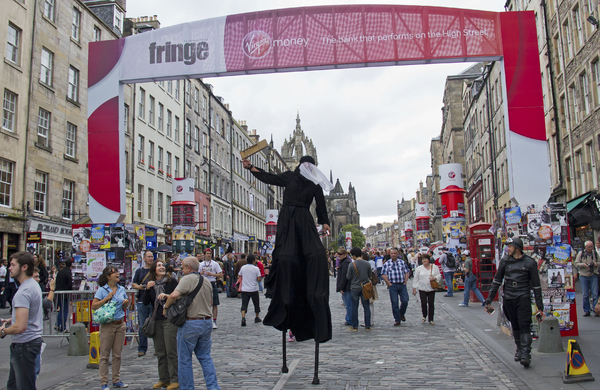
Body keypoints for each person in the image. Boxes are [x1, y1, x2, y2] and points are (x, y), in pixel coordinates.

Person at [243, 155, 332, 343]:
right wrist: (251, 168)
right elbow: (270, 178)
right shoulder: (290, 177)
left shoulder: (315, 184)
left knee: (315, 253)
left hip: (304, 218)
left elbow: (321, 205)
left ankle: (313, 293)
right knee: (286, 256)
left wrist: (324, 222)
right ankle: (282, 289)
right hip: (288, 217)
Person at [162, 257, 221, 390]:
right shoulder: (206, 281)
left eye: (182, 267)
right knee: (205, 357)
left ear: (189, 268)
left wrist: (166, 307)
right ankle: (213, 387)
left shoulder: (187, 279)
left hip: (191, 322)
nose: (181, 270)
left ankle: (187, 388)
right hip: (206, 322)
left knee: (184, 359)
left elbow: (174, 295)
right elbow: (210, 301)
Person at [485, 237, 543, 367]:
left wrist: (540, 305)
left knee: (524, 324)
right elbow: (497, 280)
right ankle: (519, 349)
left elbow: (536, 285)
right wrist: (489, 298)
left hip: (523, 296)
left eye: (510, 246)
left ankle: (526, 353)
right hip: (509, 297)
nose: (507, 249)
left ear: (517, 247)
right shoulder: (505, 261)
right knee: (515, 324)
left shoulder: (530, 263)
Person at [1, 252, 43, 390]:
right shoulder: (32, 285)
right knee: (14, 386)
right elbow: (28, 315)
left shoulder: (23, 292)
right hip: (28, 343)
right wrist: (11, 319)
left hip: (24, 344)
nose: (9, 268)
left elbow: (20, 327)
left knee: (24, 386)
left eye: (13, 265)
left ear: (24, 267)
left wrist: (3, 331)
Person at [92, 266, 130, 389]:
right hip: (108, 325)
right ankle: (104, 382)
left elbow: (126, 305)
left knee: (117, 354)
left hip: (120, 323)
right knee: (104, 355)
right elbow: (94, 306)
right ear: (108, 276)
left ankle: (116, 379)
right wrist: (106, 298)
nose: (118, 274)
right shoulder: (102, 290)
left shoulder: (121, 289)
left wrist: (126, 304)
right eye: (115, 273)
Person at [143, 260, 179, 390]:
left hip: (169, 319)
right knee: (160, 351)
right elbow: (146, 302)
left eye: (162, 265)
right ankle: (163, 379)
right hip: (156, 319)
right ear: (154, 270)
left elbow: (178, 297)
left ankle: (174, 379)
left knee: (171, 350)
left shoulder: (171, 282)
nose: (162, 267)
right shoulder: (152, 284)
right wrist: (147, 289)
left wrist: (168, 296)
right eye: (159, 266)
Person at [131, 250, 154, 357]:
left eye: (152, 256)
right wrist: (140, 287)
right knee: (142, 325)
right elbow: (134, 284)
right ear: (144, 258)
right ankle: (142, 348)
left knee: (155, 324)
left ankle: (157, 348)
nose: (150, 258)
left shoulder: (155, 270)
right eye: (148, 257)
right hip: (142, 299)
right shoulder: (139, 271)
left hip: (153, 300)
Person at [381, 248, 411, 326]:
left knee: (405, 300)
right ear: (390, 254)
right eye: (392, 253)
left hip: (402, 284)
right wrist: (388, 283)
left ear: (397, 254)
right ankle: (397, 319)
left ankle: (401, 313)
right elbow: (383, 274)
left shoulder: (402, 262)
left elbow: (406, 272)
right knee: (394, 303)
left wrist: (405, 281)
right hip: (393, 285)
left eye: (395, 253)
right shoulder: (387, 263)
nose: (393, 255)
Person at [346, 247, 372, 332]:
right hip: (365, 288)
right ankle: (367, 325)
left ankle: (355, 326)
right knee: (366, 307)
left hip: (354, 288)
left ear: (353, 255)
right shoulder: (367, 263)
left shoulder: (351, 264)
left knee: (354, 307)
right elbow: (369, 275)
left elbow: (348, 277)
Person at [412, 254, 441, 325]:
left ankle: (431, 319)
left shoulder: (434, 267)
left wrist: (434, 278)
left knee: (431, 304)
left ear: (428, 260)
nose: (424, 261)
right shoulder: (419, 268)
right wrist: (414, 288)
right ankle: (424, 316)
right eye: (423, 259)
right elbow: (416, 278)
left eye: (425, 259)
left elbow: (439, 275)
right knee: (423, 303)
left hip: (431, 288)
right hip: (422, 288)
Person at [574, 241, 599, 317]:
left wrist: (595, 264)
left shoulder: (595, 254)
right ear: (585, 247)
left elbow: (599, 262)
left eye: (592, 246)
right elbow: (576, 263)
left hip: (593, 275)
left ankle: (595, 310)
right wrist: (583, 265)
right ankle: (586, 310)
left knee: (595, 294)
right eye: (589, 247)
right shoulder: (581, 254)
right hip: (583, 276)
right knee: (585, 294)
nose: (591, 248)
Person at [200, 248, 223, 329]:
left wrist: (212, 274)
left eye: (210, 253)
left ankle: (214, 321)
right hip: (203, 283)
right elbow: (197, 274)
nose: (209, 255)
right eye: (207, 253)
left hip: (212, 283)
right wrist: (201, 273)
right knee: (204, 303)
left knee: (214, 304)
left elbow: (220, 275)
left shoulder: (215, 264)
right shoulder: (201, 264)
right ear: (204, 254)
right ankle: (205, 319)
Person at [238, 254, 262, 326]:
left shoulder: (243, 267)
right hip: (253, 289)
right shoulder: (256, 268)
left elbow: (239, 276)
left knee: (244, 304)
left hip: (245, 289)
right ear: (253, 261)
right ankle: (257, 317)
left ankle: (243, 317)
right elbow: (259, 279)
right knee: (256, 303)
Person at [335, 249, 353, 326]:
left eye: (340, 254)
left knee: (348, 304)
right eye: (338, 254)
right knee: (348, 304)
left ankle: (350, 319)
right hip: (346, 287)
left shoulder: (346, 263)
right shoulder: (344, 262)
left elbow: (344, 277)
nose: (338, 255)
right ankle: (350, 319)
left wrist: (341, 287)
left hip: (347, 287)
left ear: (345, 255)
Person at [55, 260, 72, 332]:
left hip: (58, 293)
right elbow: (69, 285)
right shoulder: (68, 273)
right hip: (65, 294)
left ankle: (57, 324)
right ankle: (63, 327)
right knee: (65, 311)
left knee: (61, 310)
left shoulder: (60, 272)